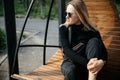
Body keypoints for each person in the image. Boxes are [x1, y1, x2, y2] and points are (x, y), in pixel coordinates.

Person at [59, 0, 108, 80]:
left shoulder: (92, 31)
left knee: (94, 41)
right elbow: (67, 50)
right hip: (70, 62)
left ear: (79, 15)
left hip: (88, 67)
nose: (66, 16)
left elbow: (104, 52)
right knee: (72, 71)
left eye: (69, 14)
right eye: (66, 13)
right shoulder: (64, 29)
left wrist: (101, 62)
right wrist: (88, 63)